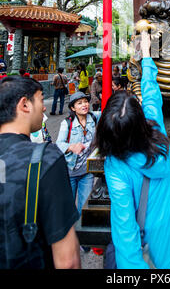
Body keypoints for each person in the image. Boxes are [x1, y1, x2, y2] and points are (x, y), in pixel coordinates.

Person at [95, 31, 170, 269]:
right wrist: (147, 55)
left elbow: (125, 228)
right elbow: (151, 94)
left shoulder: (115, 165)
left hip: (161, 256)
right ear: (141, 120)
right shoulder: (157, 133)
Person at [0, 75, 80, 269]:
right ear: (25, 105)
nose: (44, 107)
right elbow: (67, 261)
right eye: (41, 99)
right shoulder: (45, 159)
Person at [56, 91, 101, 251]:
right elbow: (58, 144)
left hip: (86, 172)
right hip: (69, 172)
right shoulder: (66, 123)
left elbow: (111, 113)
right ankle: (68, 240)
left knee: (84, 205)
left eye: (85, 102)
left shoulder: (94, 118)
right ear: (73, 108)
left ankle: (83, 241)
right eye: (80, 103)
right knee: (69, 207)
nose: (84, 105)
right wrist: (70, 146)